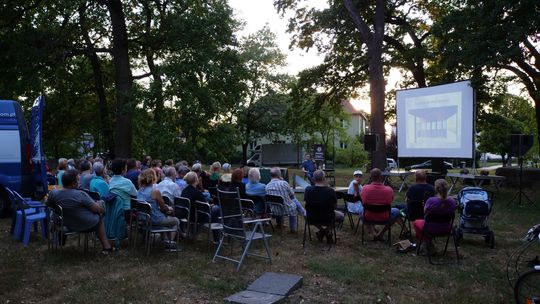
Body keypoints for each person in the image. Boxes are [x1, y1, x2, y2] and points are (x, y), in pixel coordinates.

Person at [47, 169, 113, 253]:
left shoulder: (53, 193)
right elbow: (97, 209)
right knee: (99, 217)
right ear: (73, 183)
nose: (79, 182)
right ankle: (106, 246)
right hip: (83, 224)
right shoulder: (80, 194)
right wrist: (101, 203)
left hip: (64, 223)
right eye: (78, 180)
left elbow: (48, 205)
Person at [137, 169, 179, 245]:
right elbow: (163, 208)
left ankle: (165, 239)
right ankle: (169, 243)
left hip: (143, 218)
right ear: (153, 178)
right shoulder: (155, 191)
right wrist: (170, 208)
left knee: (164, 216)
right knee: (175, 220)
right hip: (154, 219)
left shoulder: (140, 190)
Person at [413, 179, 457, 251]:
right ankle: (427, 243)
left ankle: (427, 243)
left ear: (435, 188)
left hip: (430, 228)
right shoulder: (452, 201)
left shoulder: (431, 200)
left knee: (416, 222)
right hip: (447, 228)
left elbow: (425, 212)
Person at [360, 168, 401, 240]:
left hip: (368, 216)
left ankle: (374, 233)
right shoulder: (389, 190)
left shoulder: (364, 189)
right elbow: (390, 201)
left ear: (371, 177)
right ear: (381, 177)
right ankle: (381, 233)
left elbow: (363, 202)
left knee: (361, 210)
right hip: (385, 217)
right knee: (396, 211)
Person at [304, 170, 344, 243]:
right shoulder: (330, 191)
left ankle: (322, 232)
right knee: (341, 216)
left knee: (305, 214)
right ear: (324, 178)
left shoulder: (308, 190)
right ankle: (326, 232)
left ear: (313, 179)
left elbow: (307, 204)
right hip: (328, 217)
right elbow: (334, 206)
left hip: (311, 217)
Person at [265, 167, 306, 233]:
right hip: (287, 209)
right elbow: (292, 196)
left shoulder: (267, 186)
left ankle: (279, 224)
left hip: (274, 211)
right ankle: (293, 228)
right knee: (294, 200)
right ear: (279, 175)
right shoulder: (284, 183)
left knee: (279, 202)